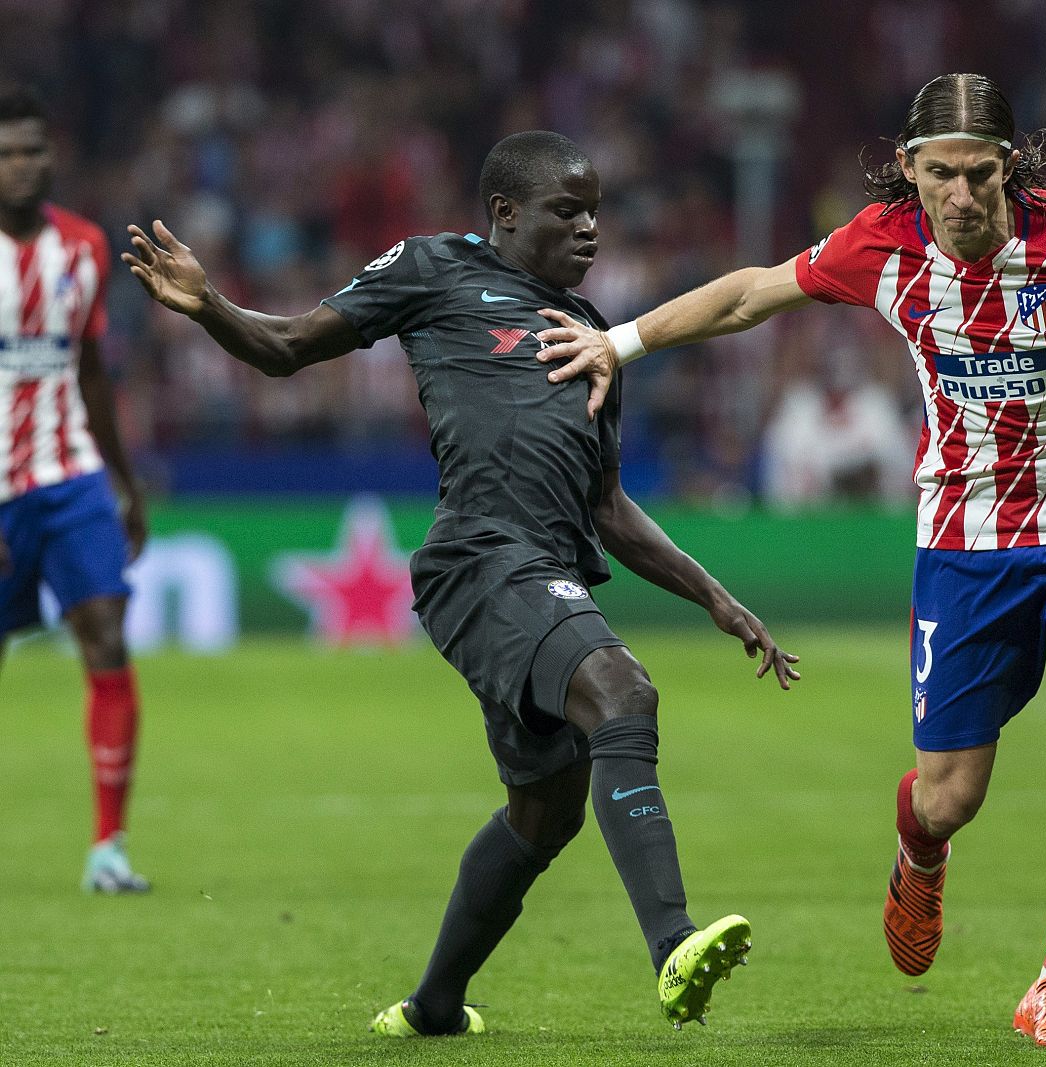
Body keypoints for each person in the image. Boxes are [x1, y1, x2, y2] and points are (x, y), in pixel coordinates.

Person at [536, 73, 1046, 1049]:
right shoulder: (880, 246)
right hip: (965, 549)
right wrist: (617, 340)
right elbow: (752, 294)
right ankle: (919, 849)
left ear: (1009, 167)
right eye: (939, 176)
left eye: (979, 174)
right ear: (907, 169)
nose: (961, 196)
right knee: (949, 793)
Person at [123, 130, 799, 1036]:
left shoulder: (593, 333)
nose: (591, 228)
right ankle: (673, 940)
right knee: (622, 692)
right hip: (480, 558)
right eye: (570, 210)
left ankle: (433, 1006)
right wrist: (210, 307)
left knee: (545, 808)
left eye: (597, 210)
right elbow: (286, 347)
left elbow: (606, 505)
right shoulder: (435, 268)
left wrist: (715, 595)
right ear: (507, 213)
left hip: (540, 573)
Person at [0, 86, 150, 894]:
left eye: (33, 149)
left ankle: (107, 848)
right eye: (7, 152)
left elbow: (91, 371)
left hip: (71, 473)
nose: (23, 165)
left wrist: (126, 482)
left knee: (107, 635)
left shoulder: (86, 247)